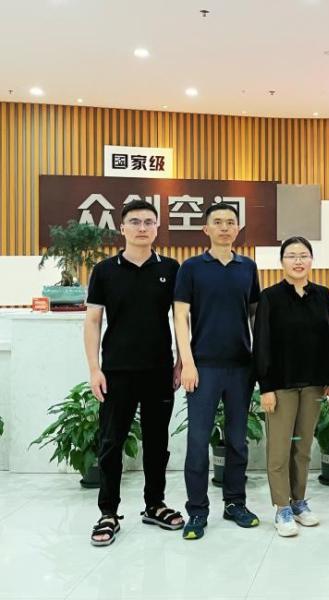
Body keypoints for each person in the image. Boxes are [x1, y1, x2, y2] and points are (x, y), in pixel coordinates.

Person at [84, 199, 184, 546]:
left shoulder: (171, 268)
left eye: (148, 222)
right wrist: (94, 368)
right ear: (122, 228)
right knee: (111, 443)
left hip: (159, 370)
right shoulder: (104, 271)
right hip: (116, 371)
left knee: (157, 442)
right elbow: (93, 321)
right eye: (135, 222)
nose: (142, 228)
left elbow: (181, 318)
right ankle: (108, 512)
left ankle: (154, 504)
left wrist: (181, 360)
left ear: (157, 228)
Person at [174, 202, 262, 540]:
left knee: (237, 441)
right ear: (206, 229)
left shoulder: (247, 267)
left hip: (241, 367)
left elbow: (255, 315)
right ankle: (197, 511)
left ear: (237, 229)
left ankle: (235, 503)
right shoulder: (192, 268)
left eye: (230, 222)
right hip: (203, 367)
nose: (224, 227)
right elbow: (180, 316)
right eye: (218, 222)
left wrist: (259, 359)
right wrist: (187, 362)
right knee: (198, 442)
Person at [253, 236, 329, 537]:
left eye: (303, 255)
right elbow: (262, 343)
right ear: (282, 262)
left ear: (312, 260)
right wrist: (265, 387)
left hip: (313, 386)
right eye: (291, 255)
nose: (298, 261)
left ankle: (299, 501)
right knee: (279, 449)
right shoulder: (270, 297)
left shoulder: (322, 295)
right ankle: (281, 507)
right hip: (281, 386)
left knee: (302, 448)